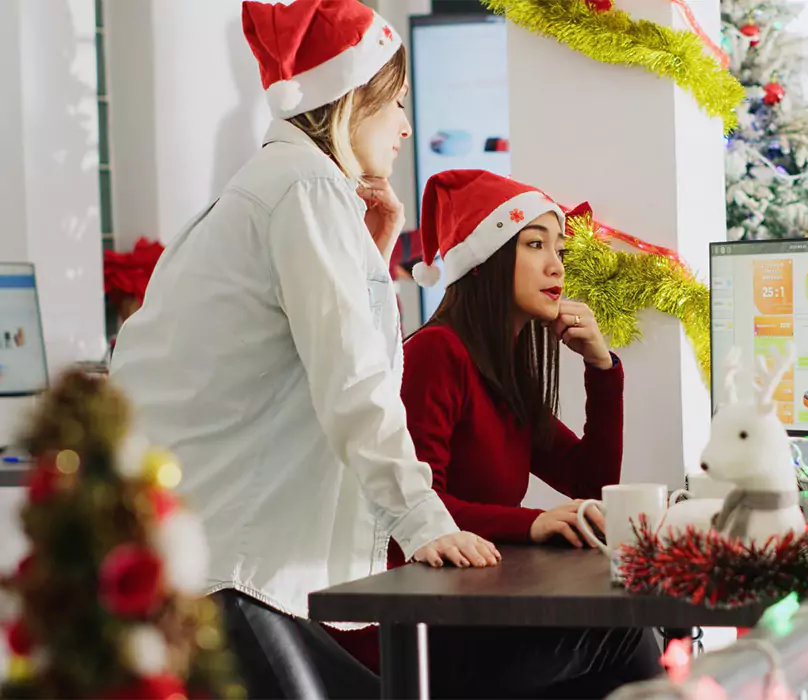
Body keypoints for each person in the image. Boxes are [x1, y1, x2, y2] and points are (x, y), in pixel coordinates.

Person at [108, 2, 499, 696]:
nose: (408, 126)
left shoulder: (279, 187)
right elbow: (354, 383)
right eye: (398, 104)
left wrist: (371, 262)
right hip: (230, 572)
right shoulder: (305, 190)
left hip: (209, 561)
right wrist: (422, 521)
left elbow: (318, 351)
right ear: (352, 99)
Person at [332, 170, 664, 699]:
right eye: (535, 245)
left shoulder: (504, 373)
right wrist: (533, 523)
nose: (557, 265)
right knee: (626, 636)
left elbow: (592, 482)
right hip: (411, 633)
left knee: (628, 632)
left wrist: (603, 369)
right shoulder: (437, 354)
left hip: (466, 609)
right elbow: (416, 509)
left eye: (559, 248)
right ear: (486, 258)